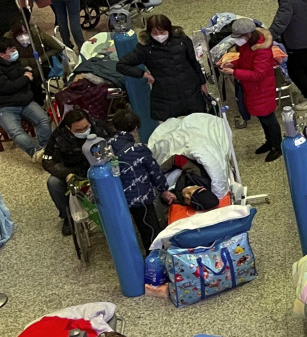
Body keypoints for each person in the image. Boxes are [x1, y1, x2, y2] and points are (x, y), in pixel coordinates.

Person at [117, 15, 210, 122]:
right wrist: (143, 74)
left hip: (190, 88)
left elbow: (194, 62)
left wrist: (202, 83)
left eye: (162, 32)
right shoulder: (145, 48)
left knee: (199, 121)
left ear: (169, 30)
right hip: (166, 95)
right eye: (155, 33)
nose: (159, 36)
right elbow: (121, 65)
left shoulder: (182, 40)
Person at [106, 110, 169, 252]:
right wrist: (163, 190)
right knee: (149, 228)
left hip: (116, 198)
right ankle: (154, 256)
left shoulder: (106, 147)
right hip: (139, 198)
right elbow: (155, 172)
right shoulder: (139, 149)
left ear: (114, 127)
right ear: (135, 128)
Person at [41, 109, 111, 236]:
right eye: (79, 130)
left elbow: (115, 143)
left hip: (101, 169)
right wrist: (66, 174)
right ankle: (68, 218)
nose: (84, 131)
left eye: (86, 127)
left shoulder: (99, 127)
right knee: (53, 182)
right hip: (74, 172)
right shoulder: (58, 135)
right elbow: (47, 161)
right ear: (68, 128)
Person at [221, 20, 282, 161]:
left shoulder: (261, 49)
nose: (237, 40)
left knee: (268, 118)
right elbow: (245, 62)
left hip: (262, 89)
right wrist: (233, 64)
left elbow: (258, 74)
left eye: (239, 36)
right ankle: (269, 142)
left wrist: (234, 72)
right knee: (262, 117)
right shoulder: (247, 45)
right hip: (252, 88)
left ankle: (277, 146)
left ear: (248, 34)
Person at [0, 37, 51, 158]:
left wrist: (27, 76)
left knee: (44, 120)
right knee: (16, 132)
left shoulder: (15, 62)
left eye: (14, 48)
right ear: (2, 54)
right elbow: (7, 87)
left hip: (25, 101)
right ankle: (37, 153)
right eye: (11, 50)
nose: (14, 51)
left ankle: (46, 149)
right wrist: (26, 78)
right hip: (5, 107)